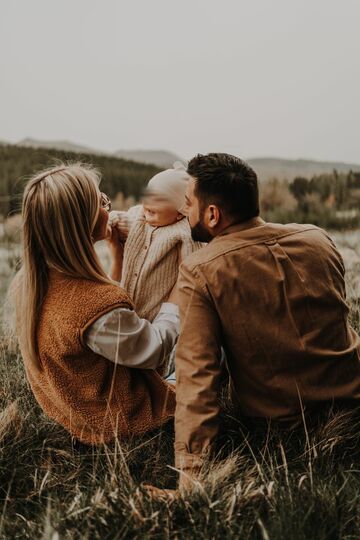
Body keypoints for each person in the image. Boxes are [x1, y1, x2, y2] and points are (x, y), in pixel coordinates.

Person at [174, 152, 360, 489]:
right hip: (352, 400)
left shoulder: (200, 271)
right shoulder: (318, 238)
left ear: (212, 215)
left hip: (283, 427)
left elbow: (197, 375)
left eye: (188, 203)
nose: (182, 211)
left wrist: (192, 475)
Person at [10, 163, 178, 445]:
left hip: (76, 412)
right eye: (101, 202)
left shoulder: (30, 283)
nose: (108, 208)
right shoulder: (93, 310)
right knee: (212, 348)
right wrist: (180, 288)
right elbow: (154, 349)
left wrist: (117, 256)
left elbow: (107, 316)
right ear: (81, 222)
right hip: (126, 418)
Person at [109, 162, 203, 323]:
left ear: (180, 212)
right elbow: (118, 218)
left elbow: (191, 269)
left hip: (157, 314)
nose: (148, 204)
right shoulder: (138, 217)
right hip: (126, 304)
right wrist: (108, 222)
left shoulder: (184, 230)